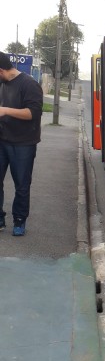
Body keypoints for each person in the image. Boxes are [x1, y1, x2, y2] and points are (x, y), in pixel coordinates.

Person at [0, 52, 43, 236]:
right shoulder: (1, 83)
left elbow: (33, 113)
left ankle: (19, 220)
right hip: (2, 140)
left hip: (23, 143)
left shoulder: (29, 84)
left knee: (22, 185)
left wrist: (5, 111)